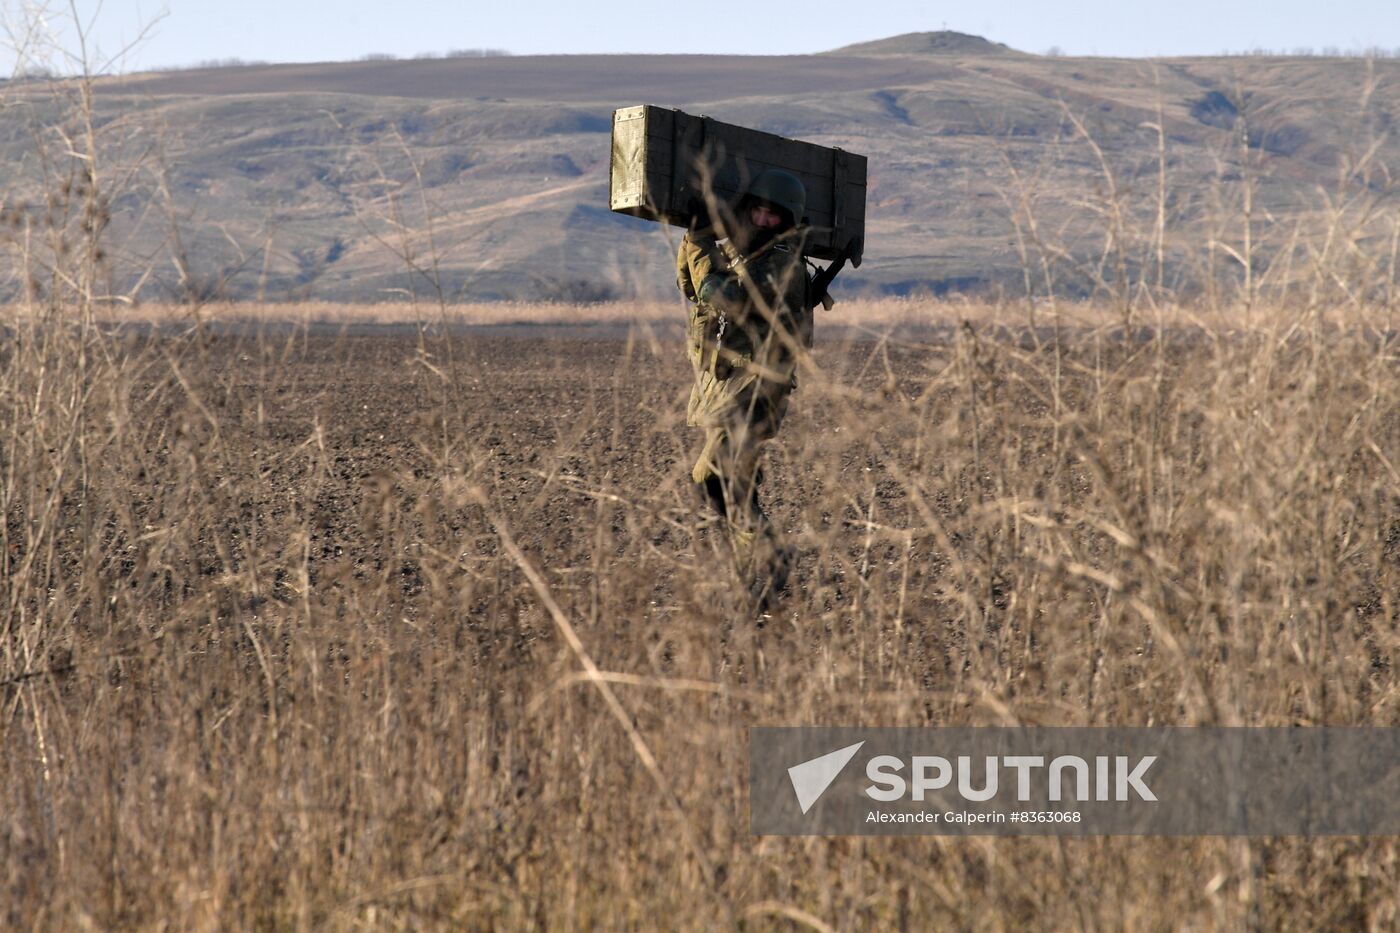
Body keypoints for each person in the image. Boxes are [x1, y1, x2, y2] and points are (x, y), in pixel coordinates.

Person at [675, 168, 814, 606]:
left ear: (788, 222)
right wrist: (695, 240)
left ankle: (770, 563)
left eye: (773, 215)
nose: (762, 219)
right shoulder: (749, 260)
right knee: (729, 485)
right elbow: (691, 287)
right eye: (757, 209)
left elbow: (722, 296)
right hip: (737, 391)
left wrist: (700, 247)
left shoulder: (782, 266)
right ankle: (756, 576)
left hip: (754, 397)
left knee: (713, 481)